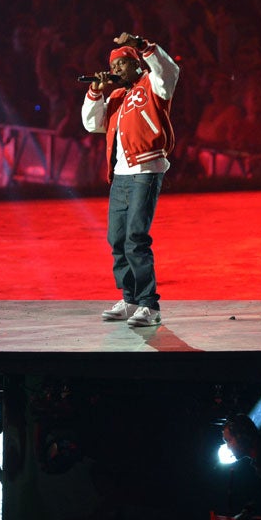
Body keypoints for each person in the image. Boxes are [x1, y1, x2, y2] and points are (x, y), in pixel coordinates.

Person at [81, 32, 180, 327]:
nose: (117, 69)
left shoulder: (152, 84)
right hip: (122, 174)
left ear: (137, 65)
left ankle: (150, 305)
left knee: (136, 237)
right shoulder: (116, 97)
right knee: (118, 239)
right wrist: (96, 92)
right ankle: (130, 299)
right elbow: (92, 124)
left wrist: (142, 45)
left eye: (123, 63)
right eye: (114, 65)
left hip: (146, 170)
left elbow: (170, 70)